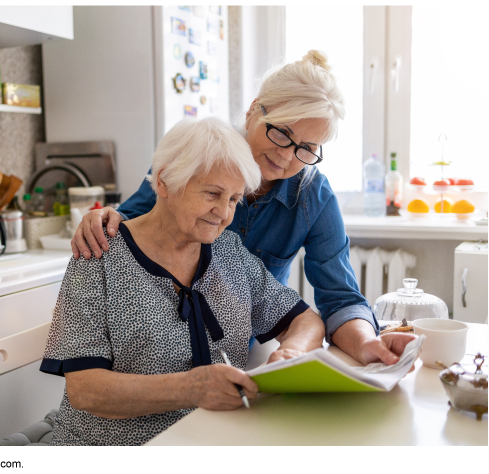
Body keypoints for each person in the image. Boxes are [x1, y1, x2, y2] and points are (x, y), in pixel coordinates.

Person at [71, 50, 417, 367]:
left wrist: (367, 343)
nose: (285, 156)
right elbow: (132, 224)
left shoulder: (313, 196)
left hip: (241, 351)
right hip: (157, 351)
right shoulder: (196, 155)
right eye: (282, 133)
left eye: (306, 148)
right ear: (254, 111)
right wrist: (104, 218)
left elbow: (340, 298)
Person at [40, 117, 326, 445]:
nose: (223, 212)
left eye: (234, 199)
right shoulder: (99, 254)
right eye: (212, 193)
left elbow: (306, 320)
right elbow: (85, 390)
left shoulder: (228, 251)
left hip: (208, 444)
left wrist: (291, 352)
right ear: (164, 182)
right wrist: (190, 388)